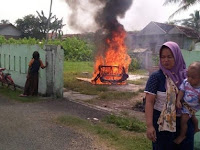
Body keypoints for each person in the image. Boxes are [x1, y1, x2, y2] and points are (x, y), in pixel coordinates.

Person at [144, 41, 194, 150]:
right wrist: (149, 126)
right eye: (163, 57)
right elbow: (149, 102)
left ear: (177, 56)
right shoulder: (156, 77)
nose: (166, 60)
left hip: (184, 124)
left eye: (169, 57)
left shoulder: (188, 76)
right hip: (163, 126)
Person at [174, 61, 200, 144]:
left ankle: (182, 135)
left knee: (184, 120)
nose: (189, 79)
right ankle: (196, 128)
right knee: (193, 117)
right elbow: (181, 91)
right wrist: (178, 100)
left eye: (193, 77)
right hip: (185, 104)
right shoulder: (186, 82)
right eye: (188, 76)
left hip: (194, 107)